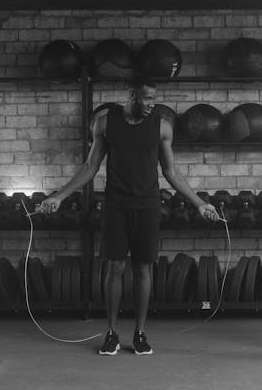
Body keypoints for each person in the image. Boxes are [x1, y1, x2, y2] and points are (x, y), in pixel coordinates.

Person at [41, 78, 219, 356]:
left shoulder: (162, 126)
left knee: (143, 269)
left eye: (154, 99)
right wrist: (59, 196)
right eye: (146, 98)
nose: (151, 104)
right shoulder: (105, 122)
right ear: (131, 95)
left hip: (148, 205)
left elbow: (171, 172)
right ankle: (111, 333)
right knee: (114, 268)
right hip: (116, 205)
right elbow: (90, 167)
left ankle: (139, 333)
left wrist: (199, 203)